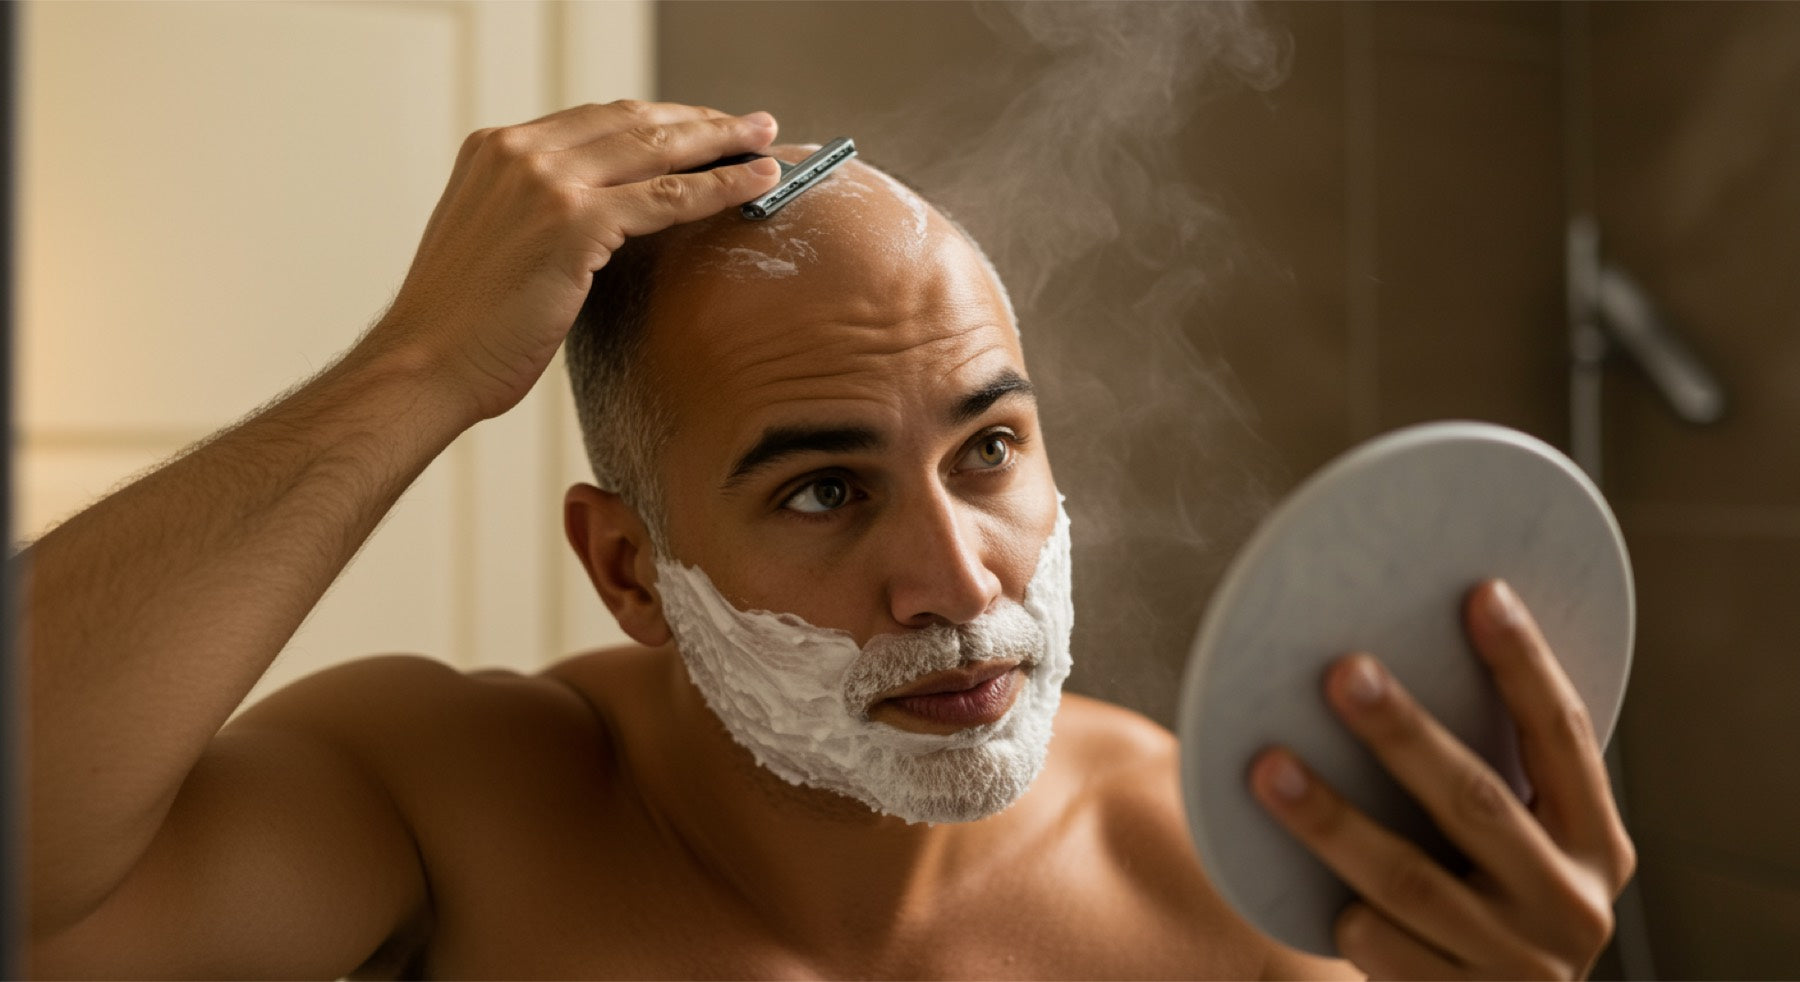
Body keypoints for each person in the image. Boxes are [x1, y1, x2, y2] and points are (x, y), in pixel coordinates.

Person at [21, 102, 1634, 979]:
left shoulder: (1231, 890)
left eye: (989, 446)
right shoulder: (454, 809)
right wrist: (417, 362)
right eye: (822, 488)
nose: (957, 581)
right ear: (630, 570)